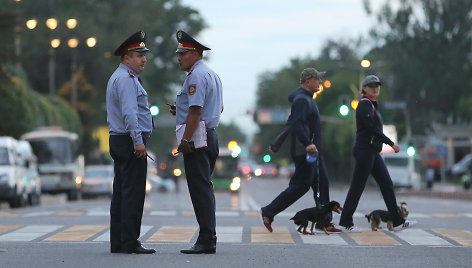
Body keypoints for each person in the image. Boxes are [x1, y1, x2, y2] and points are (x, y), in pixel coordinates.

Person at [260, 68, 337, 232]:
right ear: (308, 81)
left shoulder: (307, 99)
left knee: (321, 185)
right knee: (301, 186)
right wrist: (307, 143)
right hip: (305, 151)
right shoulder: (302, 100)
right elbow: (296, 124)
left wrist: (276, 143)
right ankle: (268, 211)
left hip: (313, 152)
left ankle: (324, 221)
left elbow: (289, 123)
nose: (320, 82)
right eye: (317, 79)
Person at [338, 75, 417, 232]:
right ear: (364, 89)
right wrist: (391, 143)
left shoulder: (372, 105)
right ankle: (345, 222)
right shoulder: (364, 105)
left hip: (372, 151)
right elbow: (371, 129)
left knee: (387, 184)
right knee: (357, 187)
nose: (375, 88)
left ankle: (397, 221)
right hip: (365, 151)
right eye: (371, 86)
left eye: (377, 86)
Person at [171, 30, 223, 254]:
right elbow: (216, 108)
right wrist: (179, 112)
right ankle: (207, 236)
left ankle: (206, 239)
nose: (179, 57)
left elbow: (195, 111)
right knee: (204, 188)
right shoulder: (211, 74)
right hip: (209, 135)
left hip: (197, 140)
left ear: (194, 53)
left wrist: (184, 140)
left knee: (200, 190)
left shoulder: (196, 77)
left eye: (182, 53)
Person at [106, 30, 155, 254]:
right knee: (133, 194)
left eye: (144, 54)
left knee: (121, 194)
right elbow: (129, 113)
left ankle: (119, 242)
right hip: (128, 141)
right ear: (127, 57)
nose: (144, 59)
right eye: (139, 54)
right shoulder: (126, 79)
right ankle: (130, 242)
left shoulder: (121, 77)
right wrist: (138, 141)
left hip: (120, 139)